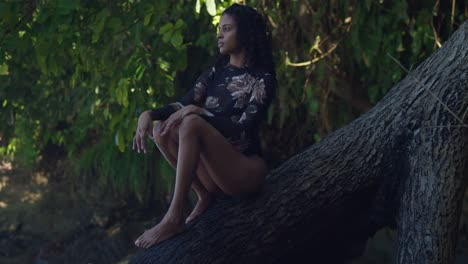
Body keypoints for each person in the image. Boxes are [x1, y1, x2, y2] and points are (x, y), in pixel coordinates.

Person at [132, 3, 276, 249]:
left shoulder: (262, 79)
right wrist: (150, 113)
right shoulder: (215, 73)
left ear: (245, 33)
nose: (219, 34)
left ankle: (175, 216)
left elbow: (242, 129)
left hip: (245, 171)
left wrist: (200, 112)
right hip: (216, 177)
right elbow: (184, 103)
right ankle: (204, 195)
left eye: (227, 29)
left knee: (191, 124)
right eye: (219, 28)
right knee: (162, 130)